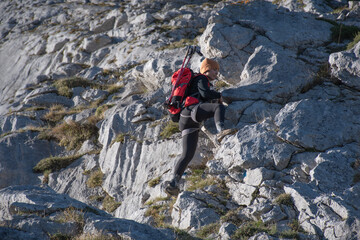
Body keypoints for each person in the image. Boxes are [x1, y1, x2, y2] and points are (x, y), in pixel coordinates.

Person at [164, 58, 235, 196]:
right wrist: (219, 95)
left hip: (186, 121)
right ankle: (221, 131)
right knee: (218, 107)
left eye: (217, 70)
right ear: (206, 69)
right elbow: (205, 94)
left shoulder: (196, 81)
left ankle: (174, 183)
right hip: (191, 111)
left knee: (187, 154)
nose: (216, 73)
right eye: (214, 69)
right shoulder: (202, 78)